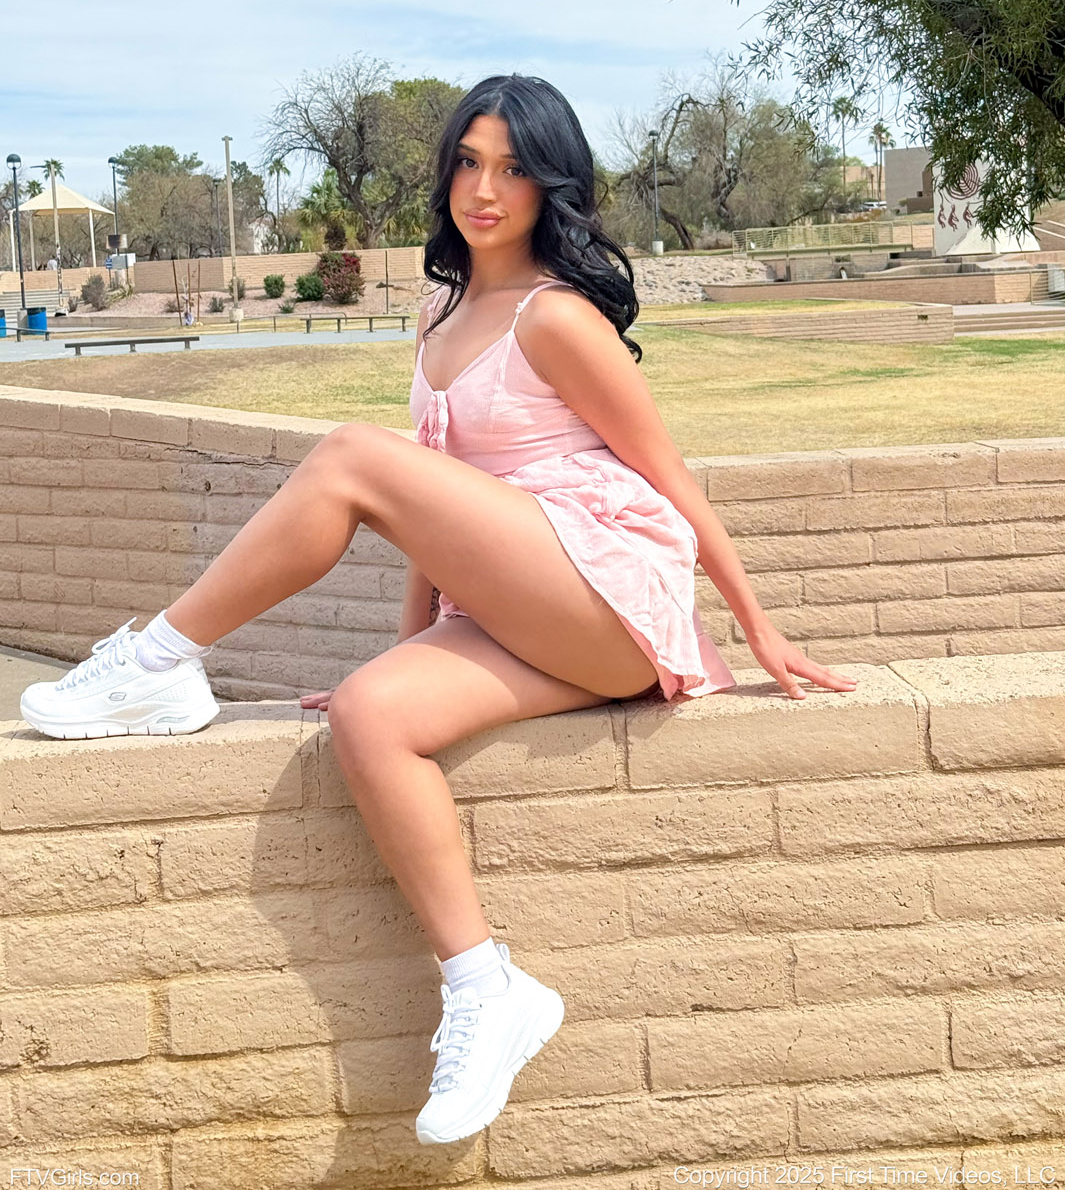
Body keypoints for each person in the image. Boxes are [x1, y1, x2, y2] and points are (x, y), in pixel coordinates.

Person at [19, 73, 859, 1146]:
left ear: (551, 184)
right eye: (467, 161)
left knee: (351, 457)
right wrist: (405, 652)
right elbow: (440, 509)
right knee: (370, 714)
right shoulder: (440, 312)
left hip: (606, 592)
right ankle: (485, 989)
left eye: (511, 168)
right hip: (519, 604)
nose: (484, 189)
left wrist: (757, 626)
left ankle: (157, 659)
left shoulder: (558, 318)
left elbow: (671, 478)